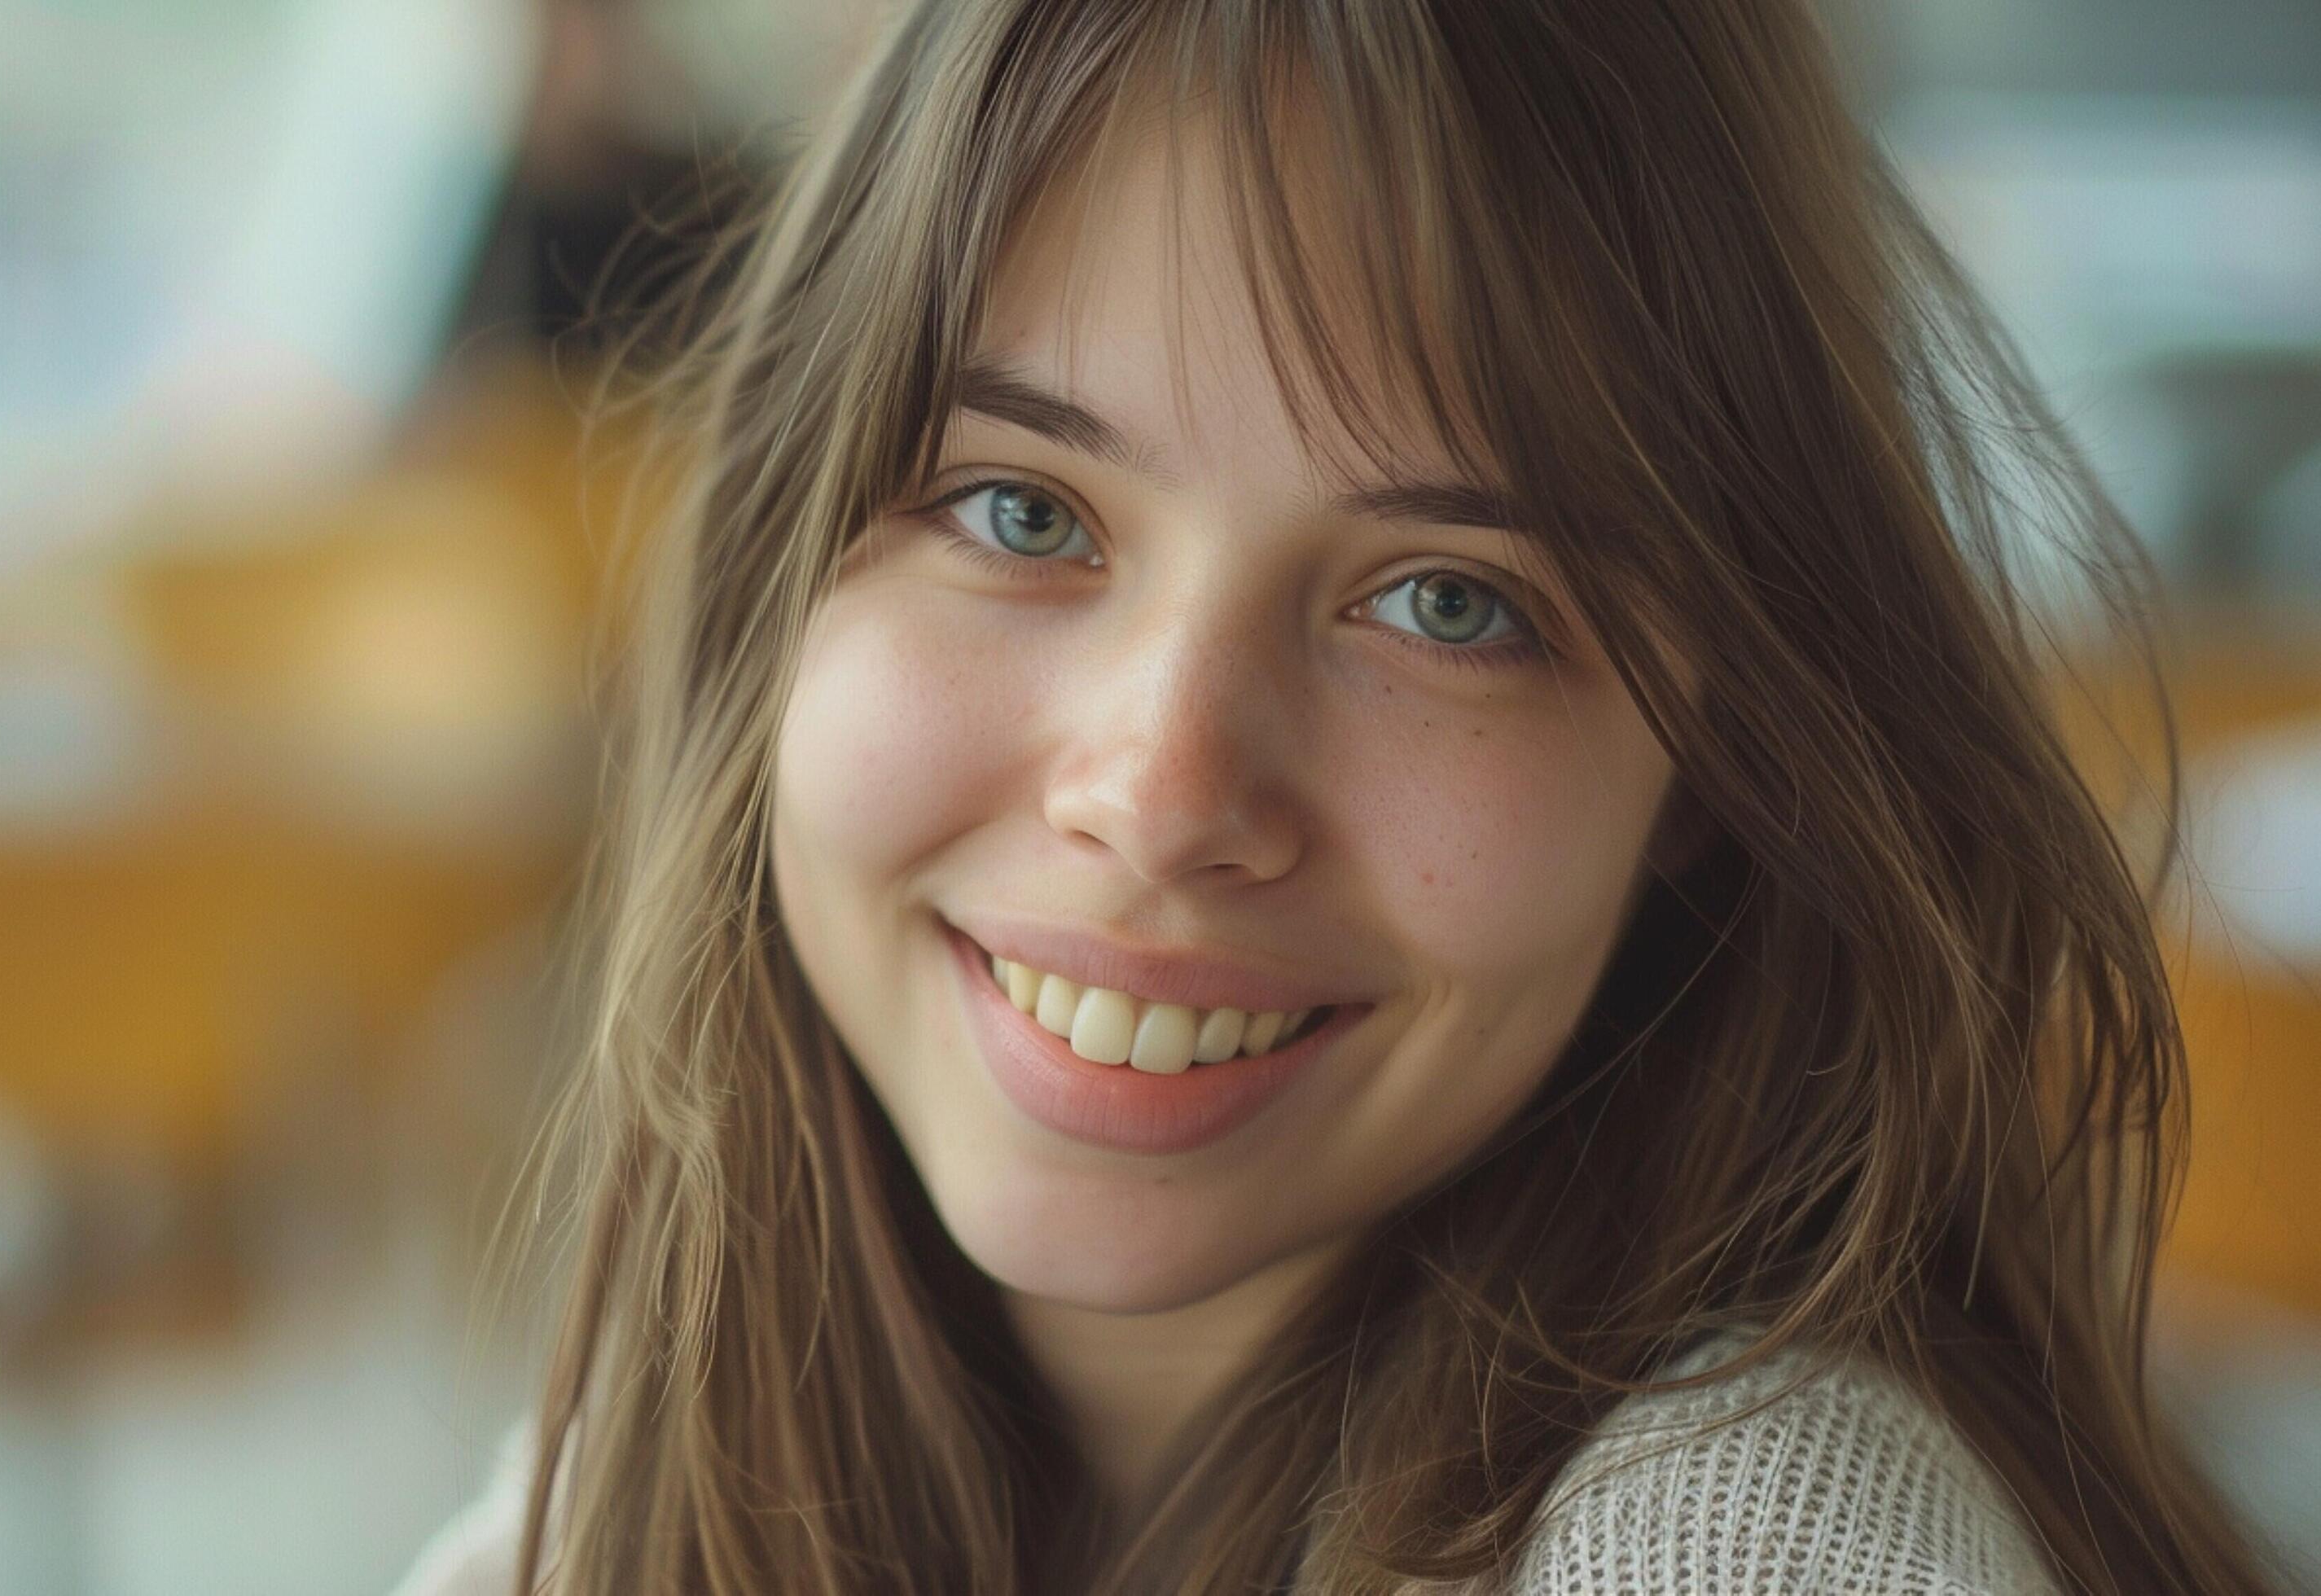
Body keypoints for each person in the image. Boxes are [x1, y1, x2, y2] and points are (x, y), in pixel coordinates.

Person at [401, 0, 2285, 1589]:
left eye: (1448, 603)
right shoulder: (594, 1502)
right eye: (1021, 510)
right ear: (781, 580)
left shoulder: (1741, 1538)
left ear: (1719, 764)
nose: (1160, 791)